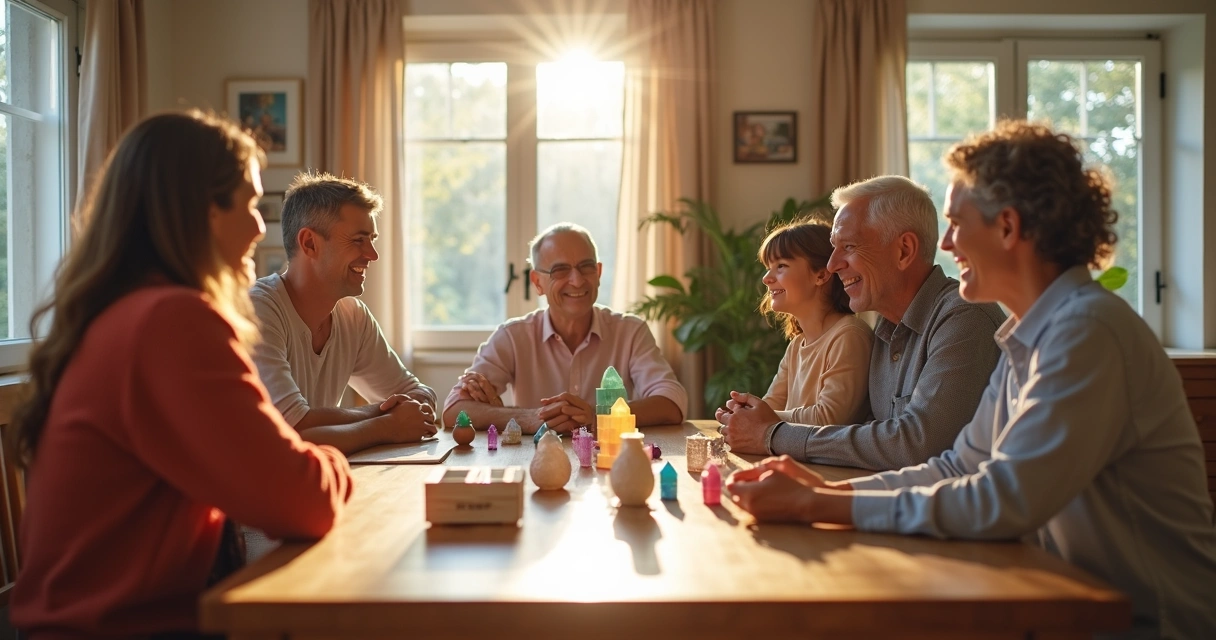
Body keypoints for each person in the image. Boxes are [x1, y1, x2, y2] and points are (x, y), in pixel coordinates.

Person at [727, 120, 1216, 639]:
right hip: (1062, 604)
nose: (948, 243)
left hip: (1147, 624)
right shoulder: (1030, 334)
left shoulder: (1086, 331)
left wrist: (818, 503)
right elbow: (959, 464)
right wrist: (830, 490)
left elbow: (1002, 499)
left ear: (1007, 227)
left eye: (958, 224)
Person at [9, 111, 353, 638]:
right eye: (250, 205)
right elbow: (301, 499)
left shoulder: (116, 314)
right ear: (203, 213)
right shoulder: (173, 322)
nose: (262, 228)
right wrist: (333, 463)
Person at [718, 175, 1006, 470]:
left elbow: (916, 444)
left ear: (904, 250)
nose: (832, 265)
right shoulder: (884, 331)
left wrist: (773, 434)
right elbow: (872, 433)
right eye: (833, 248)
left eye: (849, 247)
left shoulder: (964, 317)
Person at [250, 172, 438, 455]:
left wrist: (409, 410)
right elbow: (291, 429)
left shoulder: (353, 315)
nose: (372, 254)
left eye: (372, 239)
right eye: (358, 240)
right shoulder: (258, 310)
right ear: (310, 244)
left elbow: (417, 395)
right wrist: (387, 425)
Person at [443, 223, 687, 434]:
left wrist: (596, 416)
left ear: (599, 273)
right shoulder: (513, 336)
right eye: (560, 270)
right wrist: (532, 419)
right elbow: (454, 410)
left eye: (586, 267)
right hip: (535, 465)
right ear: (537, 283)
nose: (577, 280)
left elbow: (672, 402)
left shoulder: (631, 332)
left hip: (610, 466)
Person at [755, 218, 873, 426]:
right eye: (768, 267)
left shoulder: (849, 336)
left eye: (781, 266)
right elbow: (770, 406)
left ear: (821, 275)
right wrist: (743, 413)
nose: (766, 278)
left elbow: (828, 418)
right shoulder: (797, 345)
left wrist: (761, 416)